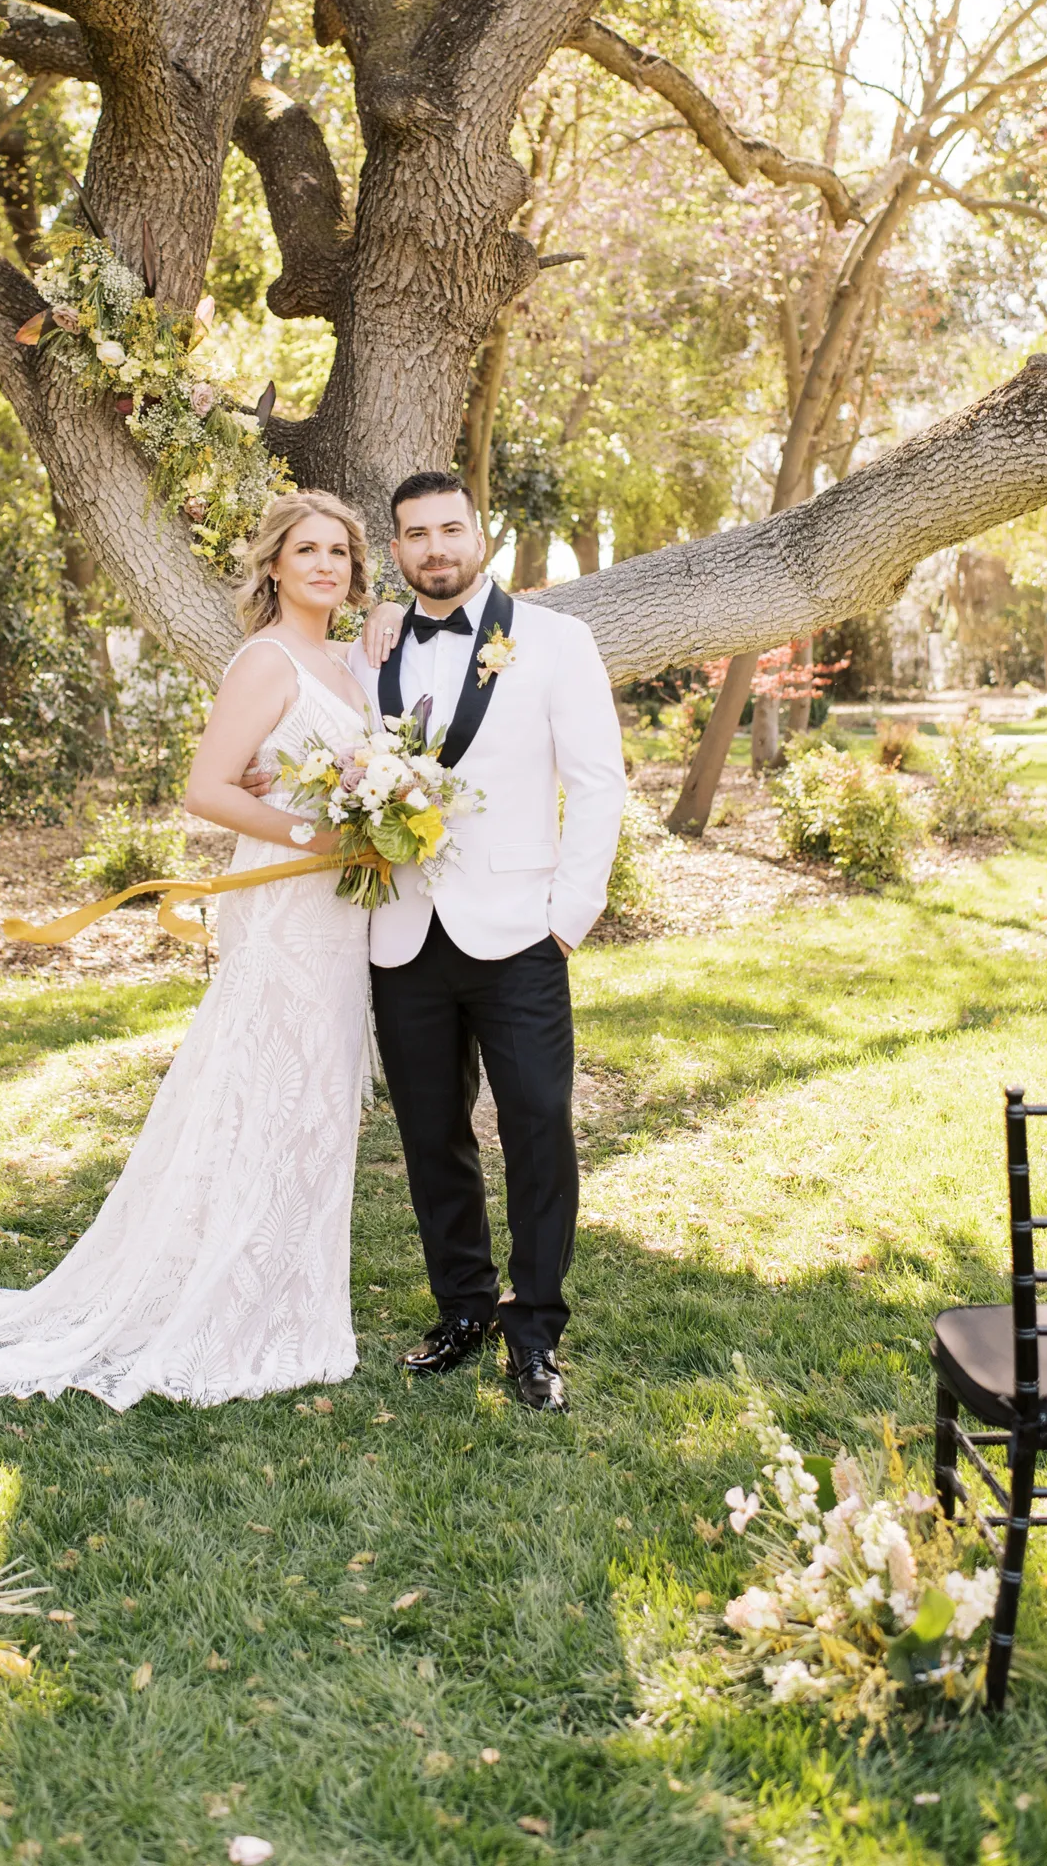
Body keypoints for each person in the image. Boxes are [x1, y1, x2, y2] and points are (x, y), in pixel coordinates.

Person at [0, 490, 377, 1411]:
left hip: (339, 916)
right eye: (306, 549)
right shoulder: (267, 659)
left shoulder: (346, 665)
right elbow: (206, 789)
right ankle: (228, 1304)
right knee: (261, 1095)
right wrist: (310, 833)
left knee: (314, 1102)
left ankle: (295, 1300)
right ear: (273, 565)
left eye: (341, 553)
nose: (326, 565)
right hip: (283, 905)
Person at [349, 471, 625, 1414]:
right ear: (396, 552)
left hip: (519, 934)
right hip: (402, 930)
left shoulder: (554, 640)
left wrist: (567, 916)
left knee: (540, 1124)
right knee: (431, 1133)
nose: (436, 547)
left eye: (450, 529)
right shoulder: (370, 649)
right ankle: (462, 1308)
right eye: (416, 534)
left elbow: (598, 780)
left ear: (481, 535)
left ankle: (535, 1329)